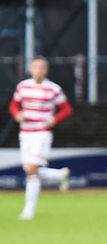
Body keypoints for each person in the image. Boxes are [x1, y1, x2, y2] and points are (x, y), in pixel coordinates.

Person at [9, 56, 73, 220]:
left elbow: (66, 109)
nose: (38, 70)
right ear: (31, 69)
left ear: (46, 70)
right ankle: (59, 176)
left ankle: (28, 211)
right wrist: (17, 114)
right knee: (31, 171)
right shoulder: (23, 86)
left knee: (31, 170)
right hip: (25, 133)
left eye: (42, 67)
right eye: (36, 67)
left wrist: (54, 119)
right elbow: (14, 105)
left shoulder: (53, 89)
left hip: (42, 133)